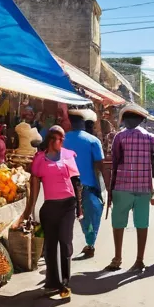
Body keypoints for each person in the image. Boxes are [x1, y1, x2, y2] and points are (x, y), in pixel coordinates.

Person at [13, 126, 81, 299]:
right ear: (51, 140)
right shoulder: (39, 160)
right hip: (50, 207)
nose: (63, 142)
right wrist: (28, 211)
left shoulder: (68, 155)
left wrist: (80, 207)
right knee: (50, 247)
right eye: (60, 139)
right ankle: (52, 282)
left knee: (65, 243)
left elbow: (76, 182)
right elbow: (34, 188)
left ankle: (65, 283)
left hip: (68, 205)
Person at [107, 104, 154, 273]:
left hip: (122, 187)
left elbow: (115, 163)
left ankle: (117, 258)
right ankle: (139, 260)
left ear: (126, 121)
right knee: (142, 224)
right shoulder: (153, 139)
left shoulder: (119, 137)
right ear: (141, 121)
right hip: (144, 188)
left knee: (118, 224)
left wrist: (110, 191)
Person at [64, 108, 105, 259]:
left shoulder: (62, 139)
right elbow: (100, 165)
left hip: (66, 185)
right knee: (91, 216)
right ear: (83, 123)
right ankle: (90, 243)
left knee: (68, 218)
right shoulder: (93, 141)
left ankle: (65, 247)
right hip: (88, 185)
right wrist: (106, 187)